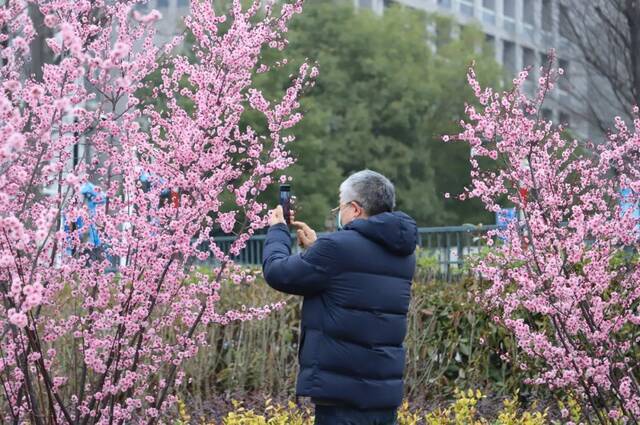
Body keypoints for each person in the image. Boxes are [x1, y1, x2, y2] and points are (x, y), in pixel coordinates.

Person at [262, 169, 418, 425]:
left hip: (343, 394)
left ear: (355, 209)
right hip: (382, 392)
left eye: (340, 207)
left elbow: (278, 273)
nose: (339, 214)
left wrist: (278, 230)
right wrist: (316, 249)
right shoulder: (402, 253)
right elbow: (355, 279)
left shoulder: (336, 248)